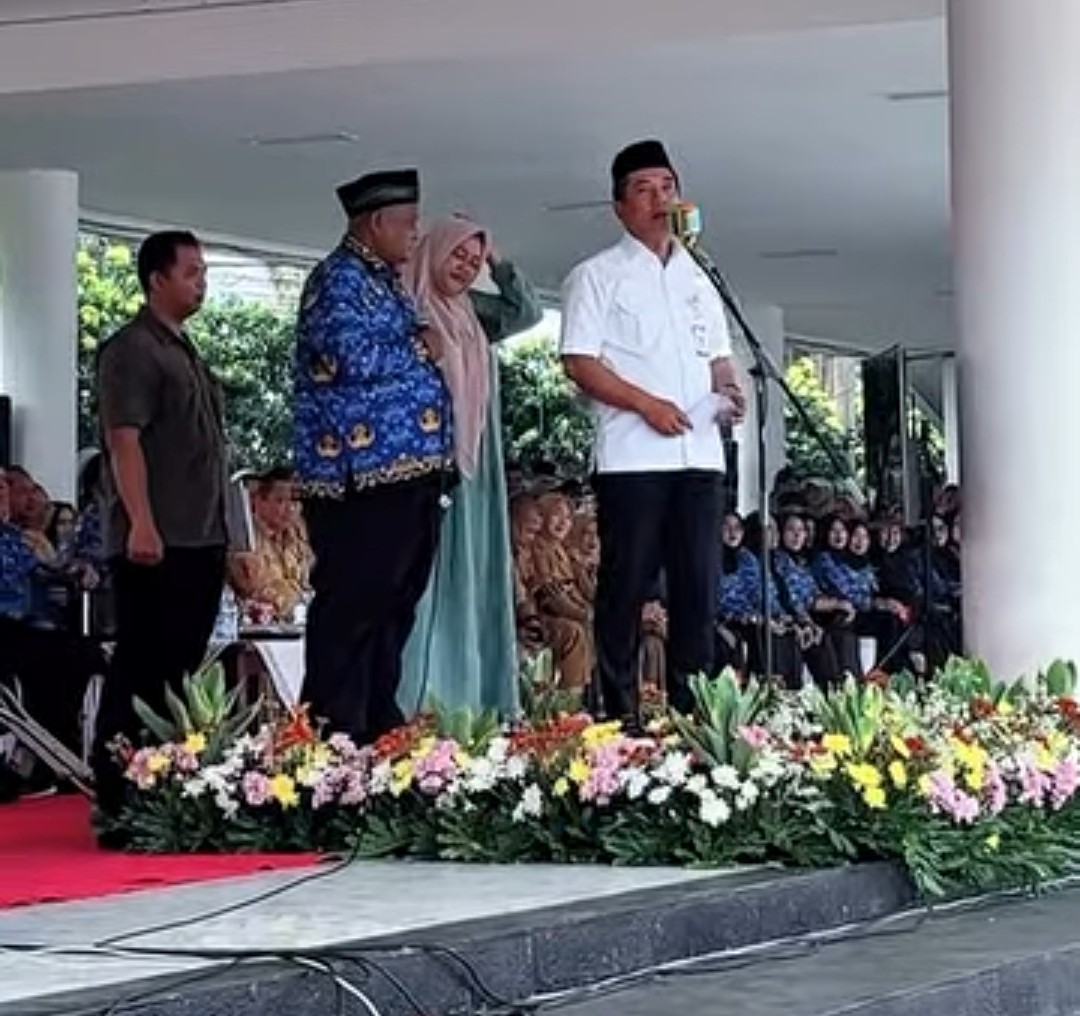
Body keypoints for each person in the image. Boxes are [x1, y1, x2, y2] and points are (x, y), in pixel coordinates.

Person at [560, 139, 744, 728]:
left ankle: (694, 719)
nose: (659, 199)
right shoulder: (596, 275)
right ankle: (619, 715)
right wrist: (645, 405)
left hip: (701, 456)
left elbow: (718, 356)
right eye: (644, 190)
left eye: (667, 187)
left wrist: (730, 391)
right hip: (634, 459)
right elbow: (580, 361)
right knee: (627, 587)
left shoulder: (700, 275)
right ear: (620, 207)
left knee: (699, 591)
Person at [293, 170, 452, 745]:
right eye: (408, 223)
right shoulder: (337, 280)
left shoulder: (384, 281)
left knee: (395, 604)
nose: (415, 234)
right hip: (358, 476)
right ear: (377, 222)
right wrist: (421, 345)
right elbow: (348, 356)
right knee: (354, 604)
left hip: (409, 473)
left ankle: (377, 720)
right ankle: (334, 729)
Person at [93, 230, 228, 803]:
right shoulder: (133, 349)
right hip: (158, 536)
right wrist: (141, 521)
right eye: (191, 272)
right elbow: (124, 441)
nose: (202, 283)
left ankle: (162, 784)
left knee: (180, 667)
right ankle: (118, 788)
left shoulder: (183, 349)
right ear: (157, 279)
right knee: (144, 664)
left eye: (204, 273)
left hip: (200, 533)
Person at [398, 217, 542, 717]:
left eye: (473, 261)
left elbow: (526, 312)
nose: (464, 267)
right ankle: (424, 704)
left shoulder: (471, 312)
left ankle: (476, 704)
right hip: (425, 466)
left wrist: (497, 261)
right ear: (433, 250)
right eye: (457, 254)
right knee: (428, 583)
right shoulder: (406, 307)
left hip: (476, 469)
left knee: (475, 577)